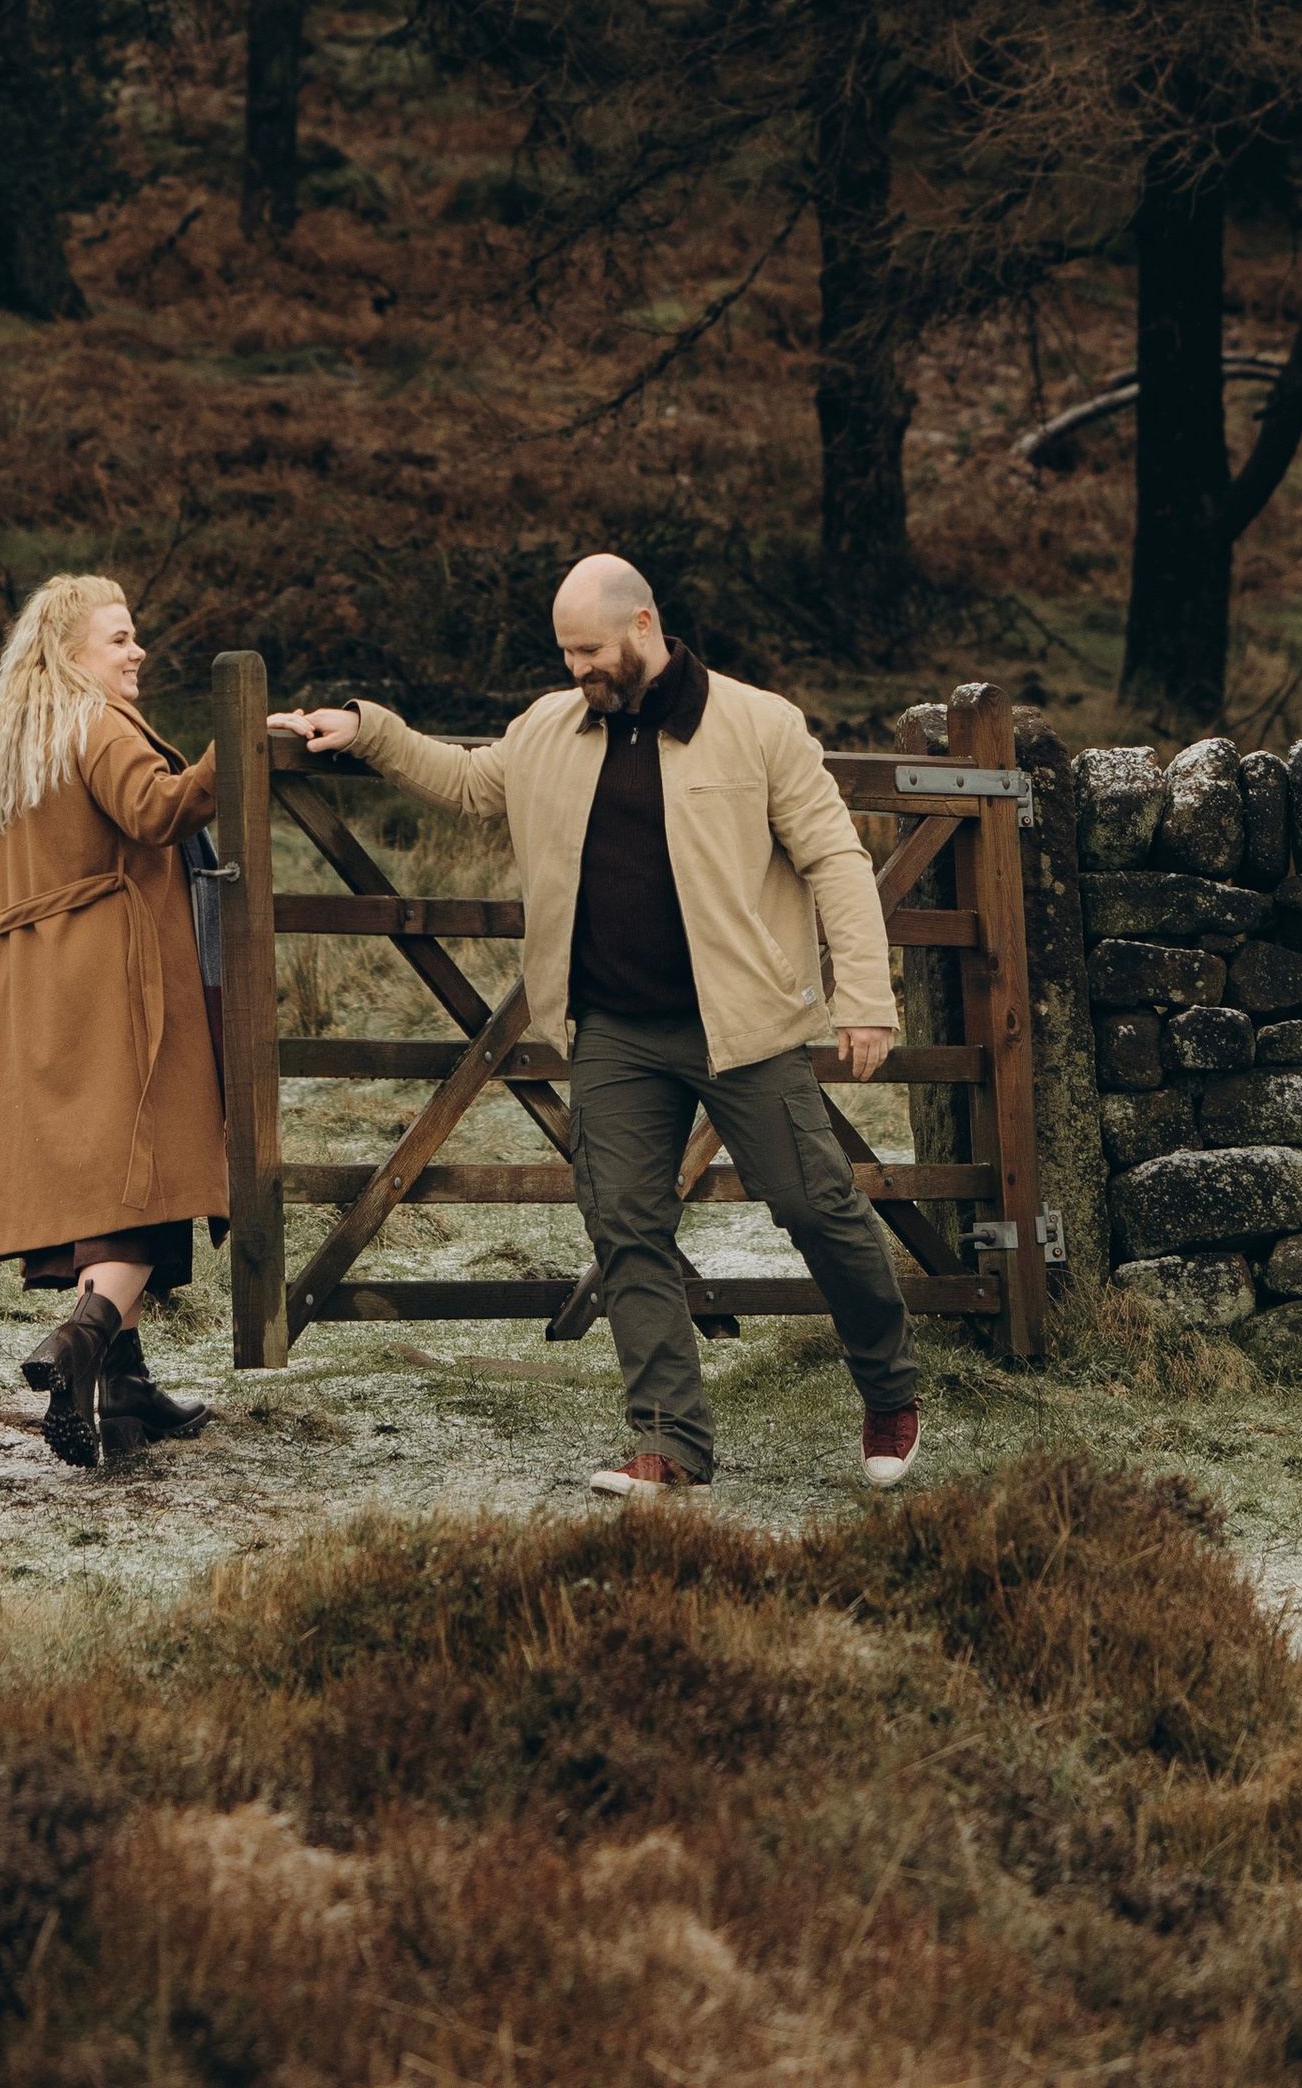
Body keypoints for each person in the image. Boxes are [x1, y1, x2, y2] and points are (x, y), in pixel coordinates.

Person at [276, 554, 922, 1495]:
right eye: (566, 651)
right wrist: (367, 730)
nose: (579, 667)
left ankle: (890, 1390)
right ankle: (670, 1442)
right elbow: (464, 782)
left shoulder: (758, 725)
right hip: (612, 1030)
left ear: (644, 627)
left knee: (816, 1207)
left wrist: (865, 996)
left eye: (590, 649)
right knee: (623, 1226)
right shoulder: (550, 727)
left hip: (739, 1028)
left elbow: (834, 859)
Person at [0, 571, 229, 1467]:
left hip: (34, 982)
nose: (137, 650)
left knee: (106, 1179)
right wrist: (239, 752)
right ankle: (77, 1346)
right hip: (110, 978)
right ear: (71, 653)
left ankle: (124, 1396)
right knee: (143, 1175)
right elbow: (158, 811)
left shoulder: (17, 737)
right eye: (118, 638)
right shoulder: (95, 721)